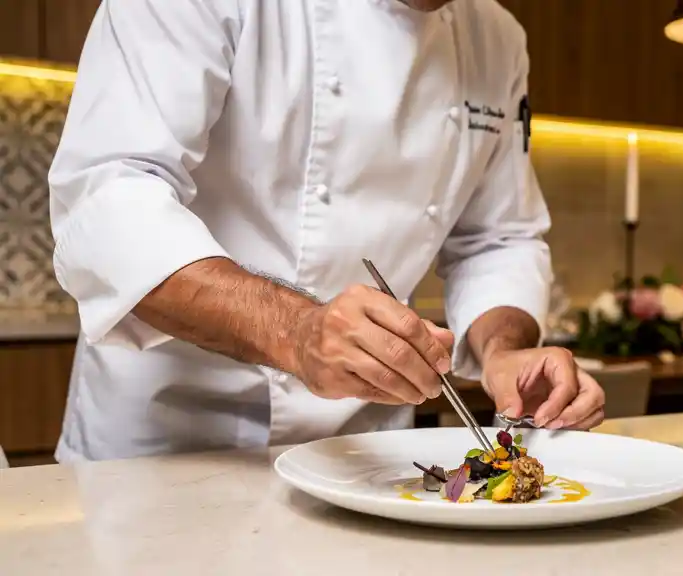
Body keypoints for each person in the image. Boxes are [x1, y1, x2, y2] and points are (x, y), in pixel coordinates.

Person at [48, 0, 605, 462]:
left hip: (364, 452)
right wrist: (297, 331)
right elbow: (108, 199)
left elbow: (497, 239)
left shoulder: (497, 37)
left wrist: (502, 353)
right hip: (166, 440)